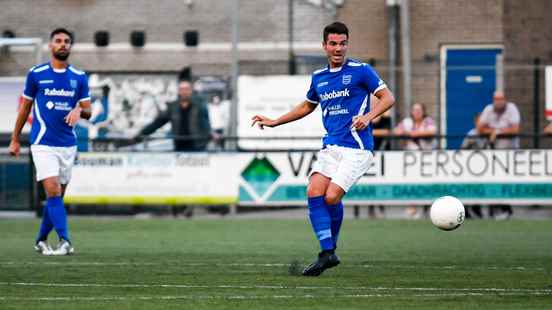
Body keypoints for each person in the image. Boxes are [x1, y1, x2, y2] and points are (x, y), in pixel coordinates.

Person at [251, 22, 395, 276]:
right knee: (314, 191)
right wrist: (274, 121)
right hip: (331, 147)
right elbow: (306, 107)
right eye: (333, 43)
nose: (338, 48)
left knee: (330, 198)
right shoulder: (319, 77)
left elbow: (388, 98)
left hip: (357, 148)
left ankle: (330, 249)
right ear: (324, 46)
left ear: (347, 44)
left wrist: (368, 117)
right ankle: (327, 253)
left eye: (342, 43)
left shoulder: (362, 71)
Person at [9, 28, 92, 255]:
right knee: (53, 191)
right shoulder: (36, 74)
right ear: (51, 46)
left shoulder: (79, 77)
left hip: (67, 144)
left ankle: (40, 240)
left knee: (56, 197)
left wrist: (78, 109)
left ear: (70, 47)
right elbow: (24, 108)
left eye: (66, 41)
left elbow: (89, 111)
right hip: (43, 142)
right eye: (58, 41)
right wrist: (15, 139)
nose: (62, 44)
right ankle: (65, 241)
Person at [477, 90, 520, 219]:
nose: (498, 101)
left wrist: (498, 132)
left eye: (501, 99)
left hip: (509, 153)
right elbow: (480, 128)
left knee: (506, 181)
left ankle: (506, 209)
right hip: (492, 154)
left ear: (505, 99)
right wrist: (494, 131)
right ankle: (493, 210)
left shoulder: (512, 109)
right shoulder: (489, 109)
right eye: (496, 99)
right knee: (492, 180)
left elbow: (515, 129)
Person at [135, 80, 211, 151]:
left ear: (190, 91)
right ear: (179, 91)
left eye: (186, 89)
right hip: (179, 145)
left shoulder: (199, 106)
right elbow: (158, 122)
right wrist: (142, 133)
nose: (184, 92)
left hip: (197, 146)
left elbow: (205, 124)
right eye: (182, 89)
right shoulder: (173, 107)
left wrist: (209, 135)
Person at [393, 102, 436, 218]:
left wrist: (412, 134)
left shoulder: (428, 121)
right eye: (415, 110)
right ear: (412, 112)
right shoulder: (407, 122)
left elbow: (432, 131)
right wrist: (406, 133)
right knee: (412, 180)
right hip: (410, 158)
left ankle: (428, 209)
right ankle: (412, 207)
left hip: (426, 157)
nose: (417, 112)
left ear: (423, 111)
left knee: (427, 182)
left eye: (419, 110)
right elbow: (396, 131)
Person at [369, 96, 391, 219]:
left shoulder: (385, 117)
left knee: (383, 180)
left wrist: (368, 130)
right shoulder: (365, 114)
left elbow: (386, 132)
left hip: (383, 152)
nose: (373, 103)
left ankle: (381, 207)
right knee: (369, 181)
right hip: (368, 152)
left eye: (376, 101)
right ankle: (370, 207)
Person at [460, 113, 486, 218]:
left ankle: (479, 209)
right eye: (479, 121)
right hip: (473, 166)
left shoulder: (490, 132)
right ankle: (466, 209)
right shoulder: (472, 134)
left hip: (487, 166)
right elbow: (463, 148)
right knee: (470, 186)